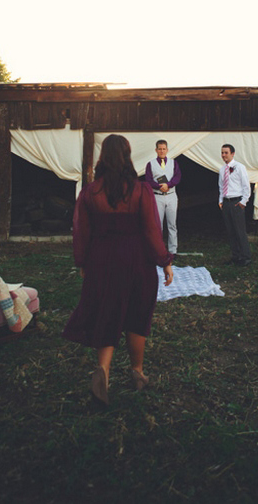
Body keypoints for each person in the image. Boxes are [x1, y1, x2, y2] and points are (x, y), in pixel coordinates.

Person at [62, 134, 173, 405]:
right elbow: (151, 230)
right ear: (127, 155)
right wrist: (165, 261)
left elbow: (81, 232)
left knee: (106, 309)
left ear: (103, 156)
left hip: (101, 258)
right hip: (135, 258)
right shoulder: (140, 190)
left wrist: (83, 263)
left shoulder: (90, 192)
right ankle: (137, 372)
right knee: (137, 311)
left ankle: (103, 370)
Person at [145, 139, 181, 254]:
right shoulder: (150, 164)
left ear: (167, 150)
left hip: (171, 195)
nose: (162, 151)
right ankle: (159, 250)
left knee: (172, 224)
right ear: (156, 150)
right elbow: (148, 179)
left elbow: (177, 177)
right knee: (157, 224)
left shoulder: (173, 162)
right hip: (158, 196)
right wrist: (159, 186)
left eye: (164, 149)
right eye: (159, 149)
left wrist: (169, 185)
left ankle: (172, 250)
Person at [218, 144, 252, 266]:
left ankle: (245, 257)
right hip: (226, 202)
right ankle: (235, 256)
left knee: (239, 230)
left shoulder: (239, 167)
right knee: (230, 231)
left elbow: (246, 186)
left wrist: (243, 202)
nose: (223, 155)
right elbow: (221, 186)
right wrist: (220, 201)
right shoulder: (222, 169)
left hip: (236, 202)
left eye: (226, 153)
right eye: (222, 153)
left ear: (232, 154)